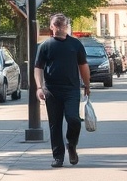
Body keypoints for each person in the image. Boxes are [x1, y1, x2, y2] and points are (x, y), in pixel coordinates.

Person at [35, 13, 91, 168]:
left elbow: (83, 66)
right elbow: (38, 68)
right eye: (57, 25)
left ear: (67, 26)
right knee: (55, 124)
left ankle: (71, 145)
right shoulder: (45, 46)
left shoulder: (75, 44)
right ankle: (58, 156)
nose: (60, 28)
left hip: (71, 90)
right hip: (51, 90)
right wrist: (39, 87)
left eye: (63, 25)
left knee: (73, 119)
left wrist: (87, 85)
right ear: (52, 27)